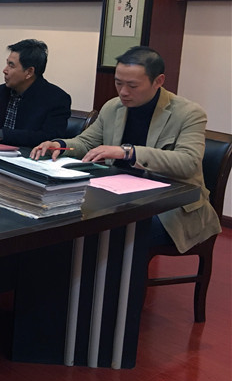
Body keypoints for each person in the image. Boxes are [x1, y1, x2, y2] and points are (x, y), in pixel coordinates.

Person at [31, 46, 221, 253]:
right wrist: (60, 145)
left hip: (170, 208)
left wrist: (129, 152)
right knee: (64, 220)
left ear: (158, 81)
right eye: (118, 83)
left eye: (132, 85)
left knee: (111, 235)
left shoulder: (188, 113)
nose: (123, 92)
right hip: (117, 196)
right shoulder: (113, 107)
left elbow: (188, 162)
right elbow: (86, 142)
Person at [0, 39, 71, 147]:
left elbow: (50, 138)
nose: (5, 70)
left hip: (28, 157)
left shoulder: (56, 99)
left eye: (11, 65)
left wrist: (3, 135)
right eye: (7, 64)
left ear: (29, 72)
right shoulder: (0, 91)